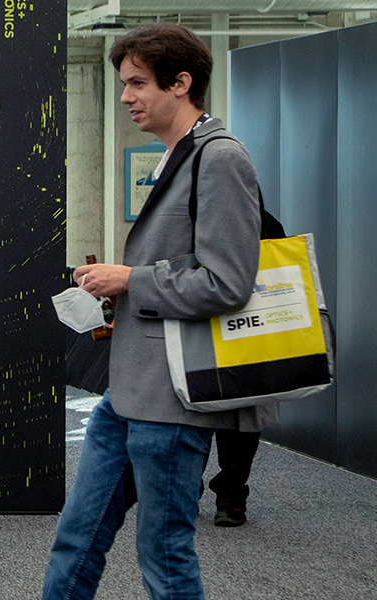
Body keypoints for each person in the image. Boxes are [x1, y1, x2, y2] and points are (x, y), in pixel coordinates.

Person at [42, 23, 273, 600]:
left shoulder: (220, 159)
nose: (126, 97)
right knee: (77, 537)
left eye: (138, 83)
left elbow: (228, 283)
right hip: (129, 394)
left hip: (173, 404)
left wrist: (131, 279)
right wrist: (118, 292)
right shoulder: (179, 154)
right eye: (124, 84)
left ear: (182, 83)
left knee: (164, 553)